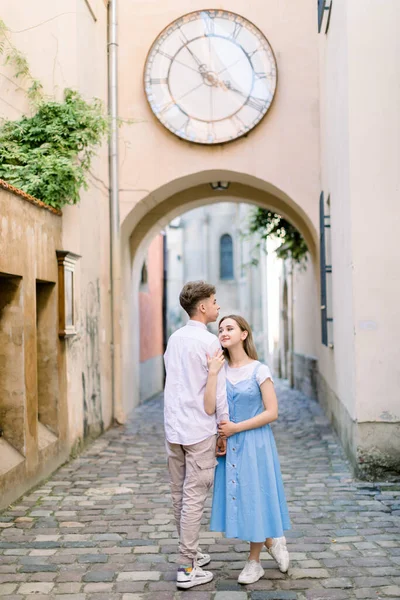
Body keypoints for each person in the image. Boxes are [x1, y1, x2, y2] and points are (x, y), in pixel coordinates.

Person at [209, 315, 291, 585]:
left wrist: (237, 428)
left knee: (254, 497)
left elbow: (272, 412)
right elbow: (213, 407)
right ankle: (272, 540)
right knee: (240, 498)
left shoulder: (260, 370)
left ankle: (254, 562)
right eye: (220, 329)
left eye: (229, 328)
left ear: (244, 334)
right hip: (230, 444)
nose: (223, 332)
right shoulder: (220, 370)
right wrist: (222, 435)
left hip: (255, 443)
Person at [164, 281, 229, 590]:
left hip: (173, 428)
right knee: (193, 498)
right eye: (214, 302)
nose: (218, 307)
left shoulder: (174, 339)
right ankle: (187, 566)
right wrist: (224, 427)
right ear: (202, 307)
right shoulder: (210, 342)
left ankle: (191, 553)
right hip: (198, 428)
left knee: (180, 495)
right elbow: (217, 393)